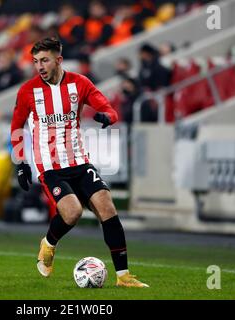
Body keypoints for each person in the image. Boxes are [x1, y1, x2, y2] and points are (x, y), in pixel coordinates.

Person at [10, 37, 149, 288]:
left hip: (80, 162)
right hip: (51, 168)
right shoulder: (28, 90)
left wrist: (107, 117)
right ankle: (48, 244)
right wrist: (21, 163)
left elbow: (110, 109)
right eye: (35, 61)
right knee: (72, 212)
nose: (39, 66)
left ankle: (123, 276)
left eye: (44, 60)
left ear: (58, 60)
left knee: (107, 207)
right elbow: (17, 126)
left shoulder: (80, 83)